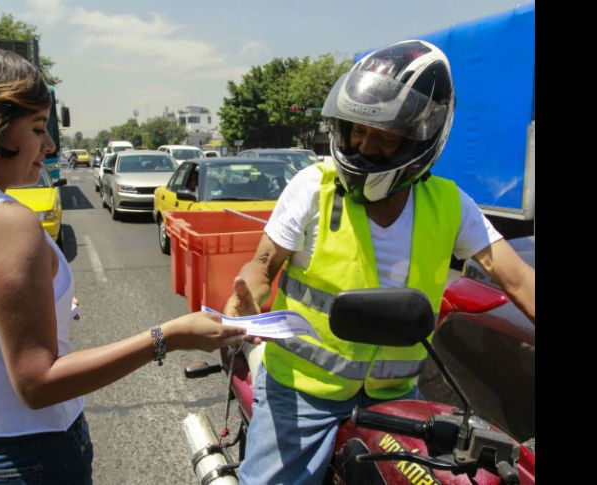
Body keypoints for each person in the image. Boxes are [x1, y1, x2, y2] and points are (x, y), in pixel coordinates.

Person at [0, 43, 246, 485]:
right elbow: (38, 383)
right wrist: (167, 337)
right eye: (37, 127)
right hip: (17, 460)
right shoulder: (6, 222)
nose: (50, 144)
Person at [223, 40, 535, 484]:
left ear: (418, 140)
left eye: (384, 138)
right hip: (303, 393)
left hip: (396, 394)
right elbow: (263, 266)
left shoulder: (449, 204)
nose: (363, 146)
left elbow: (519, 279)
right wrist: (246, 297)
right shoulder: (313, 187)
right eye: (356, 130)